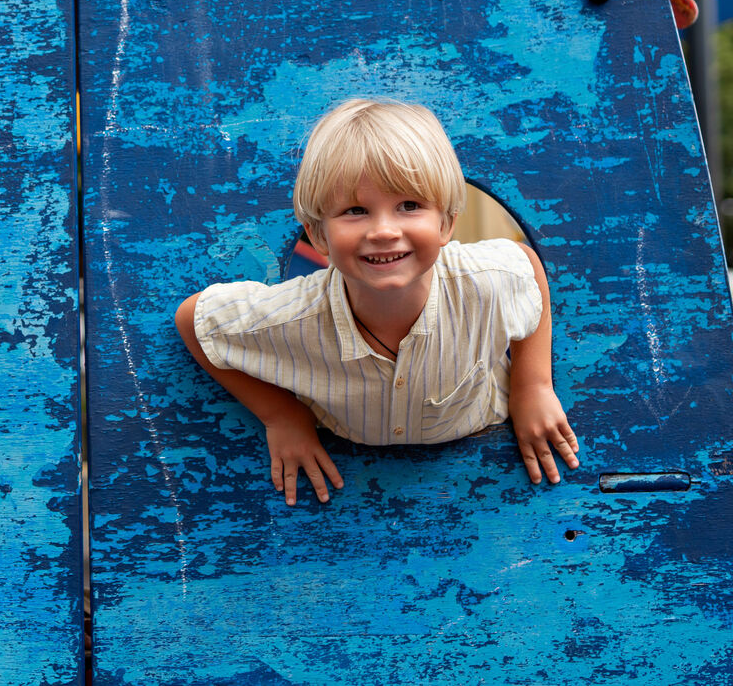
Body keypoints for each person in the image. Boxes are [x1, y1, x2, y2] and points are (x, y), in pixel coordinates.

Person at [176, 98, 580, 505]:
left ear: (446, 223)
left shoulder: (485, 283)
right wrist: (281, 415)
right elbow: (194, 319)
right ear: (318, 235)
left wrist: (533, 386)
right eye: (356, 210)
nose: (384, 230)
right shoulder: (292, 317)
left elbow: (527, 266)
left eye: (409, 206)